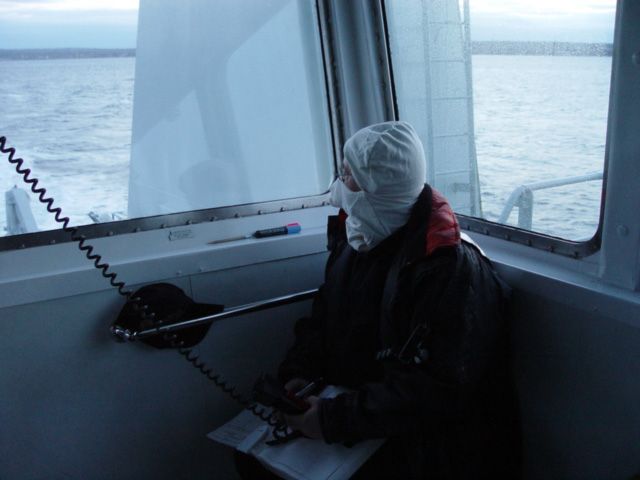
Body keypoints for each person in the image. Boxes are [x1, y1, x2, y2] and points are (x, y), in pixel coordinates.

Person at [238, 121, 521, 479]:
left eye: (348, 176)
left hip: (426, 443)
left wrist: (332, 419)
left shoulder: (450, 272)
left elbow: (438, 390)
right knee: (249, 464)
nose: (338, 187)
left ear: (378, 191)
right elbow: (323, 319)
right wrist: (301, 373)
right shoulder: (358, 240)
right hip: (364, 412)